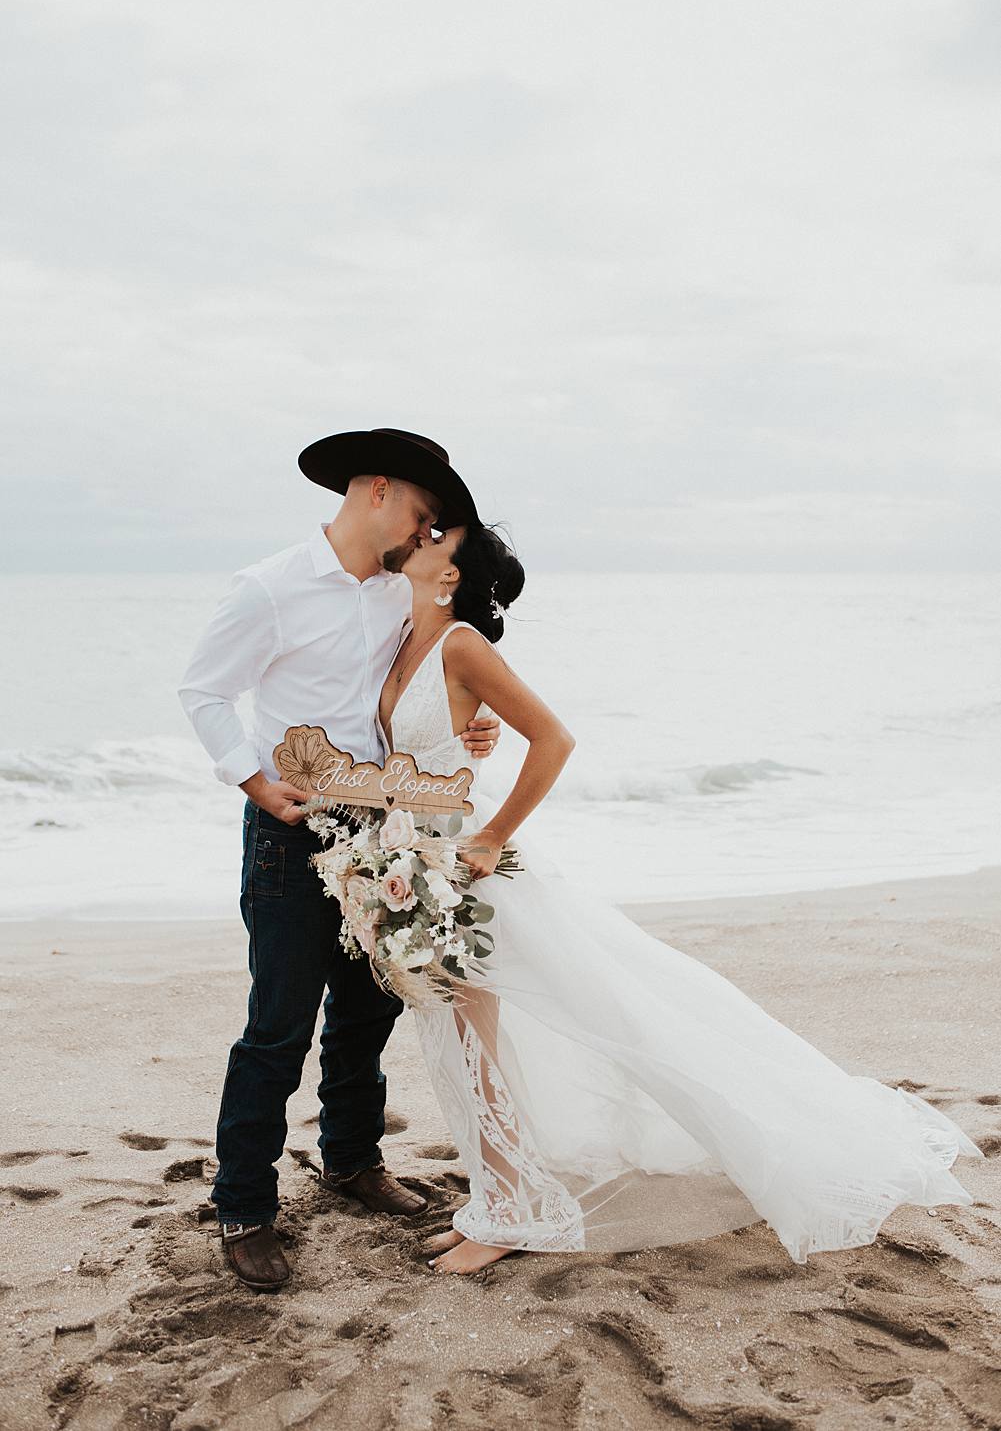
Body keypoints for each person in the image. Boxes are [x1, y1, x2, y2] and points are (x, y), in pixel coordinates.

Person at [373, 521, 985, 1275]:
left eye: (438, 537)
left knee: (511, 1030)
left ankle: (512, 1213)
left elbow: (555, 740)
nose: (421, 536)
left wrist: (493, 835)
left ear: (451, 575)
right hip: (410, 858)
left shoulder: (462, 643)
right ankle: (502, 1203)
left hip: (467, 869)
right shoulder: (401, 636)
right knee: (461, 1039)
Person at [177, 429, 499, 1291]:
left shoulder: (405, 590)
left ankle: (351, 1161)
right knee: (278, 1025)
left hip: (388, 831)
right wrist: (250, 781)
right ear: (379, 492)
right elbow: (202, 690)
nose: (426, 537)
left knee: (366, 1014)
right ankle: (244, 1205)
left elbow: (422, 684)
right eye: (424, 517)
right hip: (293, 827)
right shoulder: (269, 587)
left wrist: (473, 724)